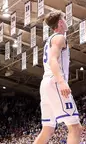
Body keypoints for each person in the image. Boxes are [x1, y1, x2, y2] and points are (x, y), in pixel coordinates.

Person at [34, 11, 81, 144]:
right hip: (54, 82)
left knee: (47, 129)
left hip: (46, 83)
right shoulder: (59, 38)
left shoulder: (50, 40)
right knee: (76, 128)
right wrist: (61, 82)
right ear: (60, 22)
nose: (66, 21)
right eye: (64, 19)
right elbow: (53, 60)